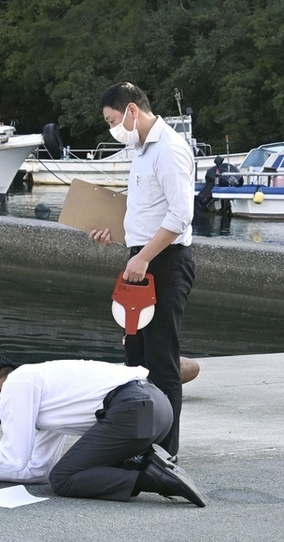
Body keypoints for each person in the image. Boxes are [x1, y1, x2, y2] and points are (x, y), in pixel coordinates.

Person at [0, 352, 205, 506]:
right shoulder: (41, 387)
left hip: (132, 410)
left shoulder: (17, 384)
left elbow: (14, 458)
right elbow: (40, 469)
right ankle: (149, 465)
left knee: (64, 480)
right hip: (156, 408)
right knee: (64, 474)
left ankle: (154, 477)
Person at [89, 82, 196, 459]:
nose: (111, 129)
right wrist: (116, 236)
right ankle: (137, 442)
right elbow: (146, 213)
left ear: (132, 110)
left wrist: (144, 257)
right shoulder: (140, 150)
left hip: (164, 263)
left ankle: (167, 452)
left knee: (161, 360)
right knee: (135, 359)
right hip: (142, 259)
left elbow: (181, 215)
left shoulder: (169, 149)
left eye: (112, 120)